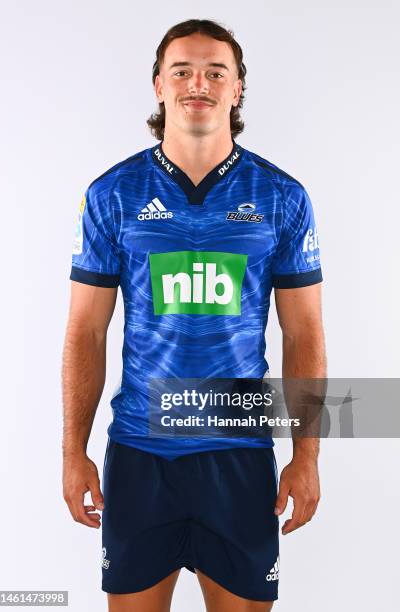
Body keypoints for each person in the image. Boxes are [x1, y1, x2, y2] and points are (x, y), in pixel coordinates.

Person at [62, 18, 326, 612]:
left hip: (238, 455)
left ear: (237, 90)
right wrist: (72, 450)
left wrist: (306, 456)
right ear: (159, 85)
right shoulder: (114, 194)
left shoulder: (282, 197)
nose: (197, 84)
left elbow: (303, 332)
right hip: (139, 454)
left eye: (215, 72)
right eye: (181, 70)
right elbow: (86, 329)